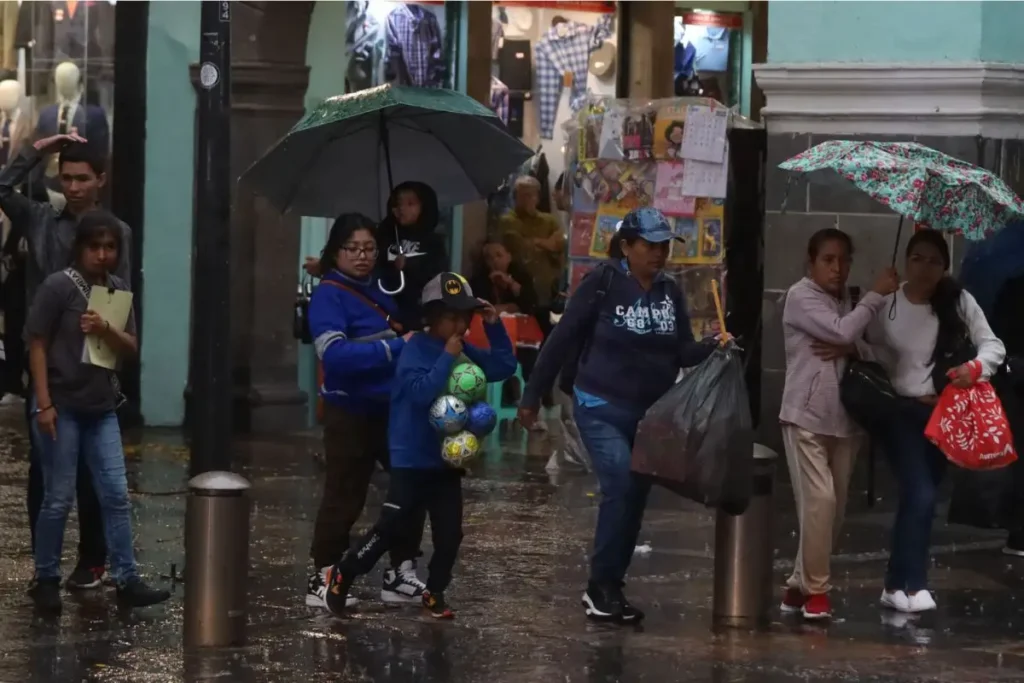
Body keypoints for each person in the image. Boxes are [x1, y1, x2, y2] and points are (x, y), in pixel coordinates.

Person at [516, 207, 717, 624]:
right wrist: (532, 394)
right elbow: (562, 337)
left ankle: (612, 587)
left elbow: (683, 350)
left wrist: (715, 344)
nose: (659, 254)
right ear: (626, 246)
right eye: (650, 245)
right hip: (600, 405)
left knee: (634, 499)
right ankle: (598, 585)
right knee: (620, 484)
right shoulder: (603, 283)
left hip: (651, 416)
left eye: (665, 246)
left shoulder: (670, 291)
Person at [325, 271, 517, 619]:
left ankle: (436, 590)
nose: (460, 324)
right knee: (391, 528)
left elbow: (503, 366)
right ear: (431, 317)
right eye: (451, 316)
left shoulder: (463, 347)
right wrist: (447, 357)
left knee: (450, 533)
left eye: (465, 316)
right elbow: (420, 394)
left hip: (446, 459)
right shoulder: (415, 349)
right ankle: (345, 572)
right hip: (411, 458)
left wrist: (493, 326)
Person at [0, 133, 129, 590]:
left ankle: (93, 561)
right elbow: (2, 189)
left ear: (100, 181)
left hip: (91, 361)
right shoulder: (40, 219)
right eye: (66, 178)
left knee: (98, 474)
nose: (73, 187)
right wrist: (38, 149)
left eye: (82, 179)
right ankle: (45, 567)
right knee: (46, 471)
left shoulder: (114, 233)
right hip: (44, 359)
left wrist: (109, 356)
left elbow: (120, 294)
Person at [856, 229, 1005, 614]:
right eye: (917, 258)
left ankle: (894, 584)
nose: (924, 268)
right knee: (920, 494)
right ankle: (916, 582)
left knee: (920, 499)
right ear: (906, 261)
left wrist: (976, 367)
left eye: (934, 261)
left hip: (943, 413)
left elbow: (993, 345)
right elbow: (861, 341)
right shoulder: (888, 302)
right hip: (898, 413)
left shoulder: (958, 302)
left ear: (945, 267)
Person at [25, 211, 167, 613]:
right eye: (94, 247)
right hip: (62, 403)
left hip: (100, 406)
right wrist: (44, 403)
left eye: (109, 248)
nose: (102, 255)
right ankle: (47, 575)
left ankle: (126, 577)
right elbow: (36, 343)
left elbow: (131, 345)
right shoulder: (58, 287)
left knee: (117, 494)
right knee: (57, 496)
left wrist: (106, 329)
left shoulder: (118, 290)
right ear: (80, 249)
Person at [306, 213, 427, 610]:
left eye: (369, 248)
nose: (362, 256)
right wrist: (394, 347)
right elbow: (335, 355)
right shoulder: (329, 294)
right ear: (335, 251)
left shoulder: (381, 286)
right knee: (345, 495)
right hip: (350, 410)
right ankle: (323, 576)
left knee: (410, 488)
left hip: (393, 409)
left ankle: (400, 570)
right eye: (353, 248)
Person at [778, 229, 899, 620]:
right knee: (820, 503)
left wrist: (855, 346)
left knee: (836, 510)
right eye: (828, 260)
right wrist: (876, 297)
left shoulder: (852, 299)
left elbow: (881, 351)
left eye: (844, 260)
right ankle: (816, 592)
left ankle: (798, 584)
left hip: (846, 420)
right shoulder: (800, 297)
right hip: (806, 417)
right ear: (811, 263)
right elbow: (839, 330)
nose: (838, 268)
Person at [375, 181, 450, 331]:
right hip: (386, 308)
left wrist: (409, 265)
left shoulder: (432, 241)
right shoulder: (385, 235)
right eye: (398, 204)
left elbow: (437, 272)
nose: (402, 209)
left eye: (410, 204)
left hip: (419, 312)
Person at [469, 238, 538, 317]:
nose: (494, 260)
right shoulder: (479, 280)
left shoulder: (521, 275)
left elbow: (532, 304)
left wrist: (511, 283)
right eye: (489, 258)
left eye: (499, 255)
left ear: (509, 257)